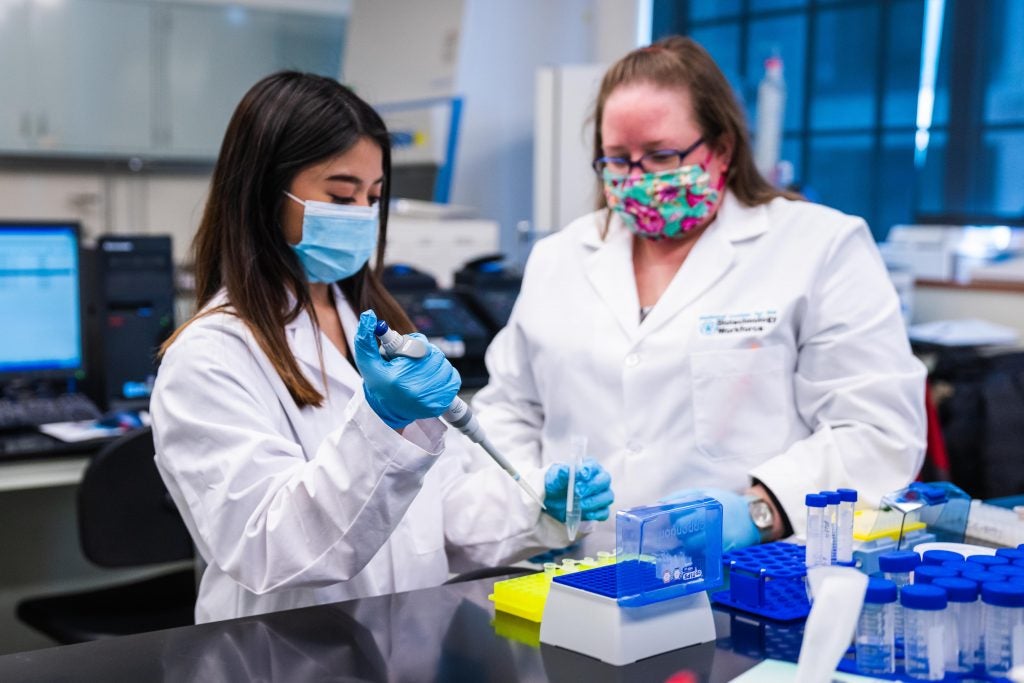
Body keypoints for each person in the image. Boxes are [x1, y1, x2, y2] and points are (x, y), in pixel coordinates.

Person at [150, 72, 613, 623]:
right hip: (285, 653)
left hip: (408, 643)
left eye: (372, 198)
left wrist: (536, 509)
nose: (361, 215)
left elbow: (439, 514)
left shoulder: (379, 330)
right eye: (341, 195)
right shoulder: (210, 356)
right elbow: (269, 550)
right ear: (262, 193)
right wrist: (382, 424)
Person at [473, 37, 927, 555]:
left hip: (746, 573)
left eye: (662, 156)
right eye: (617, 159)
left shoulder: (819, 245)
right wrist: (532, 496)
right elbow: (509, 409)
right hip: (572, 571)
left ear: (723, 149)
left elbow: (878, 429)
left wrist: (764, 508)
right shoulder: (560, 257)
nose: (637, 177)